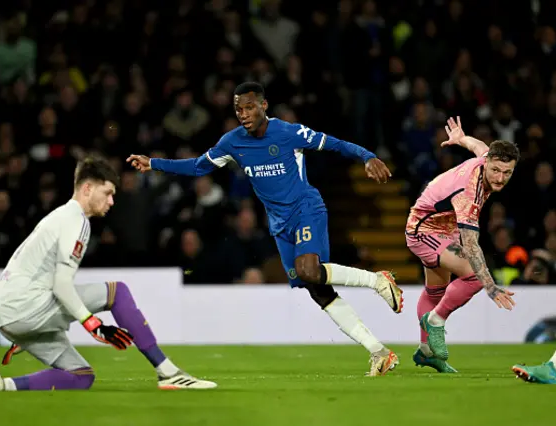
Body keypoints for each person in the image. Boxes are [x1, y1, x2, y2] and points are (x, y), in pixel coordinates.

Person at [128, 82, 403, 376]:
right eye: (238, 109)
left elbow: (334, 143)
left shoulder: (288, 132)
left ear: (264, 106)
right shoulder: (232, 142)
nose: (243, 114)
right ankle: (379, 352)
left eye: (249, 107)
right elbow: (198, 167)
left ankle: (378, 281)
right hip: (279, 224)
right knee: (317, 291)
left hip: (305, 209)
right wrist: (153, 163)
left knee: (310, 269)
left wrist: (367, 156)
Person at [0, 157, 216, 392]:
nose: (112, 201)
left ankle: (1, 385)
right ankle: (168, 372)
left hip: (8, 313)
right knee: (117, 292)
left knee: (81, 377)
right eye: (108, 192)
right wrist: (94, 324)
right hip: (24, 307)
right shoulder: (76, 221)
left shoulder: (59, 217)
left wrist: (21, 324)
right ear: (87, 188)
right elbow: (61, 286)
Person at [406, 117, 518, 373]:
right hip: (424, 230)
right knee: (476, 276)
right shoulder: (469, 192)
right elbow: (471, 245)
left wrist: (461, 138)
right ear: (487, 165)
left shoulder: (487, 157)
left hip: (442, 227)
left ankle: (426, 352)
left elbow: (479, 146)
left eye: (507, 172)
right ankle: (436, 320)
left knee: (435, 290)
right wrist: (490, 288)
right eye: (496, 171)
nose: (500, 178)